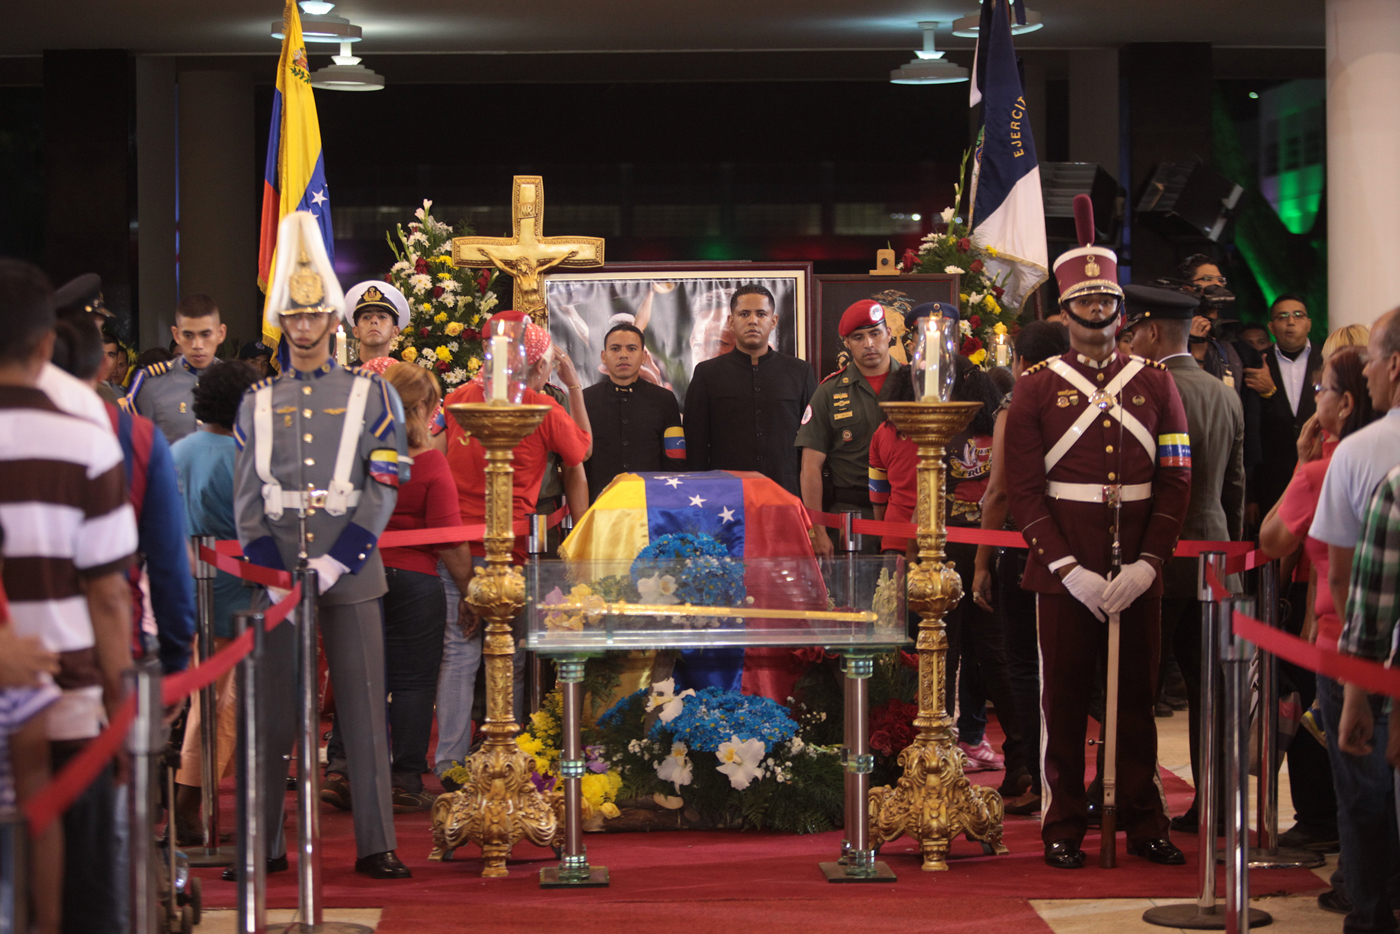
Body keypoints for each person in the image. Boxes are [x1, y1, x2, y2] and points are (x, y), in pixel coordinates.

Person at [1004, 198, 1191, 870]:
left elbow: (1175, 480)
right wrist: (1067, 568)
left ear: (1120, 306)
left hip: (1139, 567)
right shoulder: (1033, 391)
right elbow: (1024, 491)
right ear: (1064, 309)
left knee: (1137, 701)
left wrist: (1148, 562)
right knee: (1063, 699)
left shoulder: (1158, 386)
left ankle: (1144, 817)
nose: (1095, 309)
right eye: (1083, 298)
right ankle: (1064, 825)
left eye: (1105, 296)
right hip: (1063, 574)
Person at [230, 212, 411, 881]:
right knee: (269, 710)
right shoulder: (257, 398)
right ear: (282, 322)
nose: (303, 328)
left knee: (365, 707)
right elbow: (247, 491)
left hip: (354, 570)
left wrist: (347, 554)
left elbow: (388, 478)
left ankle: (376, 843)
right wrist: (268, 562)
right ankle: (263, 845)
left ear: (333, 322)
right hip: (274, 573)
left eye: (314, 316)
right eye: (293, 317)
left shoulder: (373, 393)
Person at [0, 257, 137, 934]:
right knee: (77, 897)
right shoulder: (84, 437)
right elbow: (108, 595)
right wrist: (119, 702)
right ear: (46, 344)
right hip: (68, 697)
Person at [436, 310, 592, 786]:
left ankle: (450, 764)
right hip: (513, 551)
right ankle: (512, 751)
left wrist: (463, 578)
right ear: (532, 361)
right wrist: (574, 387)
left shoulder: (457, 400)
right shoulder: (538, 407)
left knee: (459, 654)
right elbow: (581, 451)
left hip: (455, 545)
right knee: (514, 653)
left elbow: (436, 464)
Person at [1122, 285, 1246, 836]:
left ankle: (1138, 803)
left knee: (1137, 689)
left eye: (1130, 332)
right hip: (1213, 553)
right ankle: (1215, 803)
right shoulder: (1225, 394)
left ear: (1150, 332)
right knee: (1209, 692)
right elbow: (1235, 489)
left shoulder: (1146, 390)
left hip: (1152, 556)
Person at [323, 363, 475, 813]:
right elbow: (449, 539)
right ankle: (404, 779)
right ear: (426, 408)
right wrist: (470, 592)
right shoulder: (430, 462)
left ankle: (343, 770)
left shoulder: (354, 457)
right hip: (417, 583)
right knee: (412, 683)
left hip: (357, 575)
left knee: (357, 676)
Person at [1260, 347, 1375, 864]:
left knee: (1352, 774)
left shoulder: (1326, 469)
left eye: (1323, 389)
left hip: (1340, 633)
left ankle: (1360, 889)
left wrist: (1301, 465)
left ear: (1346, 403)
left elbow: (1272, 539)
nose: (1315, 397)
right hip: (1379, 629)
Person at [1313, 308, 1400, 931]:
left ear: (1394, 366)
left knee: (1367, 803)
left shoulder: (1365, 457)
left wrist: (1355, 688)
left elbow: (1351, 585)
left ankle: (1370, 915)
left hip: (1380, 664)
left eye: (1373, 356)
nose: (1366, 369)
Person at [50, 309, 195, 676]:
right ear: (101, 366)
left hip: (23, 651)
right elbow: (166, 557)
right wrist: (176, 657)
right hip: (113, 647)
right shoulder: (135, 436)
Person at [971, 319, 1070, 816]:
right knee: (1069, 666)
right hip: (1076, 551)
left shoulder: (1017, 407)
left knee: (1024, 666)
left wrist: (981, 560)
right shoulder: (1083, 402)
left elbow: (1000, 491)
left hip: (1022, 546)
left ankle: (1033, 772)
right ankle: (1067, 778)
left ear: (1021, 363)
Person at [169, 360, 261, 843]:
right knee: (221, 707)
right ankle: (187, 801)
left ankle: (191, 797)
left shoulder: (177, 449)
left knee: (202, 700)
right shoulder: (241, 457)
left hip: (182, 589)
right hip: (233, 590)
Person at [684, 283, 816, 498]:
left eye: (761, 314)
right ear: (731, 321)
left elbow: (813, 442)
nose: (753, 320)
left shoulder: (800, 372)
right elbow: (695, 444)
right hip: (725, 496)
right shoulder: (707, 374)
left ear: (773, 321)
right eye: (744, 314)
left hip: (786, 493)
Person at [797, 299, 900, 557]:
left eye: (875, 333)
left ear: (889, 334)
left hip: (905, 512)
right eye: (858, 337)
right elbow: (810, 467)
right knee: (853, 595)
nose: (868, 344)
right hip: (851, 517)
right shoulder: (829, 392)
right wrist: (817, 531)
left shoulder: (915, 386)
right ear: (847, 343)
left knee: (906, 594)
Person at [581, 322, 685, 503]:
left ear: (644, 356)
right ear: (603, 357)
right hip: (599, 504)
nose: (623, 355)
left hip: (652, 503)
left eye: (631, 349)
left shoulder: (664, 400)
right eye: (615, 349)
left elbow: (675, 457)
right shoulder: (585, 400)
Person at [1247, 294, 1321, 522]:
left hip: (1318, 472)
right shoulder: (1258, 363)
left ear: (1309, 323)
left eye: (1298, 315)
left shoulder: (1326, 359)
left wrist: (1271, 392)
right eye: (1283, 316)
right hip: (1271, 477)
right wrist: (1250, 494)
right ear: (1271, 326)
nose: (1291, 322)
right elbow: (1249, 429)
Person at [124, 293, 227, 443]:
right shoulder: (151, 383)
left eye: (205, 334)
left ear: (220, 333)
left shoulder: (236, 383)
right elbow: (135, 446)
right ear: (176, 335)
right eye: (188, 335)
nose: (197, 345)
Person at [345, 280, 410, 372]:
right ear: (356, 331)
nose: (374, 321)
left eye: (382, 317)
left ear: (395, 331)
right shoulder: (343, 377)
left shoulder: (403, 377)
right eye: (366, 317)